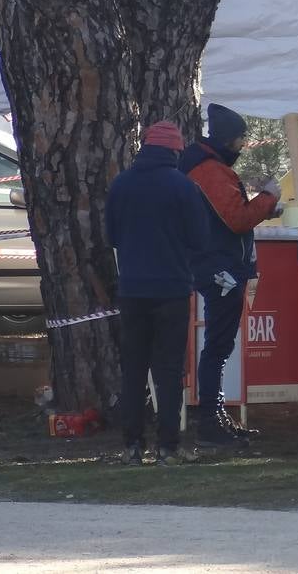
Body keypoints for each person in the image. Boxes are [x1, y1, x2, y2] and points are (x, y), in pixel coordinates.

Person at [106, 122, 209, 466]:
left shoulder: (121, 184)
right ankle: (168, 446)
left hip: (133, 289)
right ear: (175, 151)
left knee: (133, 370)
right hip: (172, 289)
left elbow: (113, 237)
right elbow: (200, 239)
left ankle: (132, 446)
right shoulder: (183, 187)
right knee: (168, 371)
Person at [179, 103, 280, 447]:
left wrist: (263, 206)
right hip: (221, 270)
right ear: (226, 139)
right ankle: (211, 418)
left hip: (218, 266)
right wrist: (268, 198)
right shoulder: (211, 170)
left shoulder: (205, 166)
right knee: (218, 347)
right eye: (239, 141)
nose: (240, 147)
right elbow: (236, 219)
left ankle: (216, 414)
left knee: (219, 346)